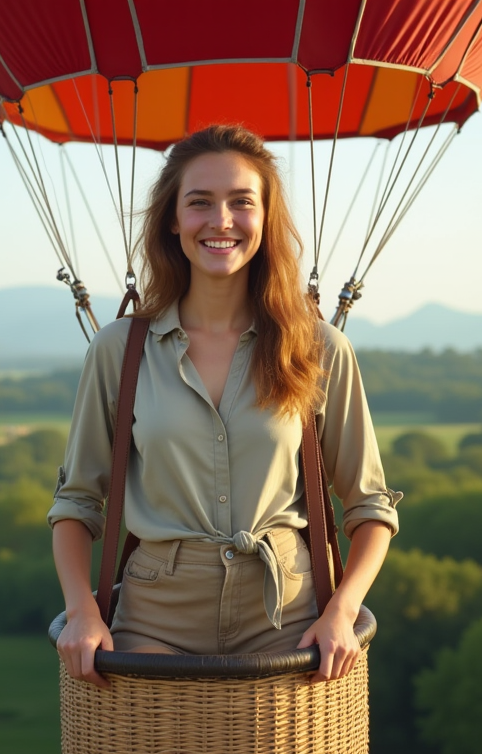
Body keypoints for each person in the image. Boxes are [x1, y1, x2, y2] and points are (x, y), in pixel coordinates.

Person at [48, 124, 400, 688]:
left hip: (289, 615)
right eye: (200, 203)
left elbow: (371, 506)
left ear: (266, 218)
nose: (221, 221)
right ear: (172, 219)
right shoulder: (119, 349)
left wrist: (342, 609)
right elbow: (77, 501)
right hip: (156, 615)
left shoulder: (320, 349)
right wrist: (83, 610)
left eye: (242, 202)